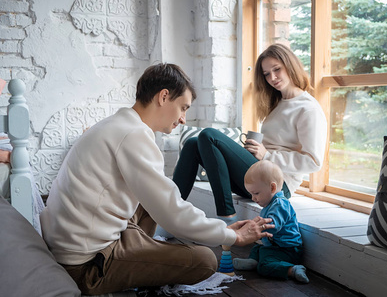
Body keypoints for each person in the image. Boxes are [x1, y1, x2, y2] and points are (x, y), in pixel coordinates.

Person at [40, 63, 275, 295]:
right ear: (163, 96)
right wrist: (231, 236)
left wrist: (217, 229)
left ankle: (144, 253)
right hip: (86, 265)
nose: (183, 119)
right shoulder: (133, 134)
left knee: (154, 200)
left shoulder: (118, 124)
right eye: (183, 107)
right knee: (204, 259)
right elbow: (172, 212)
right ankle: (142, 257)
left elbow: (165, 201)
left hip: (78, 242)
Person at [173, 43, 327, 225]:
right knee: (193, 144)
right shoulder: (277, 103)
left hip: (278, 185)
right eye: (267, 74)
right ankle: (170, 213)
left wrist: (267, 156)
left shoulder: (308, 108)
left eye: (277, 69)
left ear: (290, 65)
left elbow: (313, 162)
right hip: (258, 175)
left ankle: (227, 217)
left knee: (208, 135)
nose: (273, 77)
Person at [232, 160, 309, 283]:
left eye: (256, 193)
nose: (253, 198)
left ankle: (292, 269)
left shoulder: (280, 204)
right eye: (251, 194)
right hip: (275, 247)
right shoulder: (271, 203)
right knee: (257, 249)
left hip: (287, 250)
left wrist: (252, 230)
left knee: (265, 266)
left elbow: (273, 226)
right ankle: (253, 261)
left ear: (272, 187)